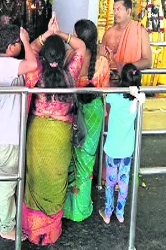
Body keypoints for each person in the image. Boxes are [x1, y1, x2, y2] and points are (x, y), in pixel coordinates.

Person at [22, 14, 86, 245]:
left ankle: (33, 229)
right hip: (60, 135)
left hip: (38, 132)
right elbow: (81, 45)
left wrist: (46, 35)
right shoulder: (71, 75)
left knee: (36, 177)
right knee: (56, 179)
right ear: (62, 56)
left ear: (44, 55)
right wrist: (60, 34)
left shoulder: (35, 73)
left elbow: (29, 47)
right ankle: (50, 232)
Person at [0, 24, 37, 241]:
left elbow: (31, 54)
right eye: (18, 42)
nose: (22, 45)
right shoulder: (7, 64)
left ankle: (10, 220)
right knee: (8, 182)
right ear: (11, 47)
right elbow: (32, 63)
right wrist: (26, 40)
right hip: (8, 131)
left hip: (9, 128)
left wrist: (36, 38)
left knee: (10, 179)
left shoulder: (6, 62)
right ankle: (6, 226)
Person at [63, 19, 110, 222]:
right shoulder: (102, 62)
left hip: (73, 109)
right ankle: (81, 209)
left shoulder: (71, 57)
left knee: (71, 158)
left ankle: (66, 208)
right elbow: (104, 91)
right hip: (94, 112)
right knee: (87, 159)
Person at [99, 64, 144, 224]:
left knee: (111, 182)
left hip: (112, 148)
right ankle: (120, 213)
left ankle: (107, 212)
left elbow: (105, 95)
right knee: (123, 181)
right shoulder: (139, 101)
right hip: (127, 150)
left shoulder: (115, 96)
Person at [102, 0, 152, 73]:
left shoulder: (140, 31)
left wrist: (127, 67)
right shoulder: (108, 33)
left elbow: (148, 61)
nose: (115, 13)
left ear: (128, 11)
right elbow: (101, 59)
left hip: (130, 79)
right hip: (110, 81)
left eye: (118, 9)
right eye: (114, 9)